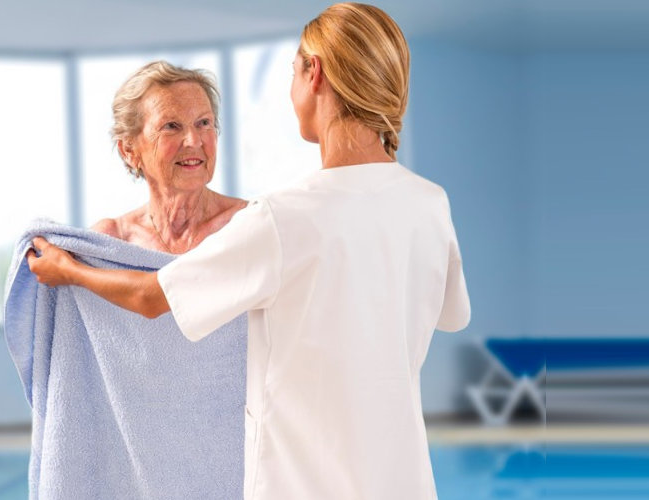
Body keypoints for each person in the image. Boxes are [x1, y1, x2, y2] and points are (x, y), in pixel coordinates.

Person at [27, 3, 469, 498]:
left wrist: (69, 270)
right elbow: (449, 315)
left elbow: (154, 297)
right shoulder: (431, 204)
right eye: (172, 126)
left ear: (314, 73)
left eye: (293, 72)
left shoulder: (280, 218)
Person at [92, 60, 247, 254]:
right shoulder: (111, 240)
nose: (194, 141)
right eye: (171, 126)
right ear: (129, 151)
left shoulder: (250, 223)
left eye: (204, 122)